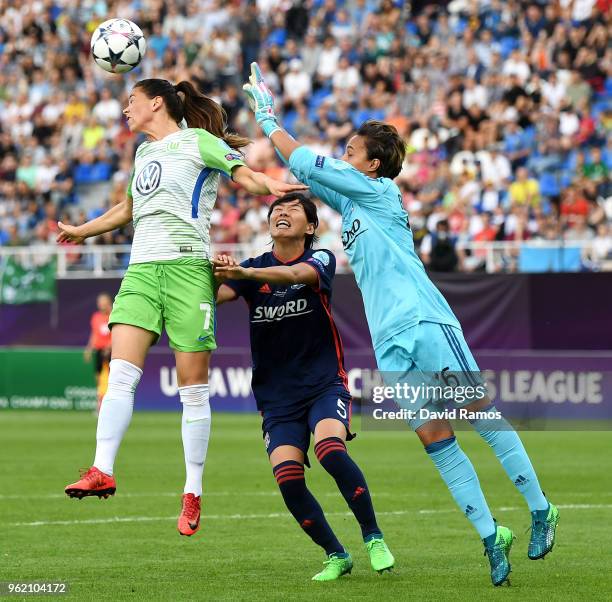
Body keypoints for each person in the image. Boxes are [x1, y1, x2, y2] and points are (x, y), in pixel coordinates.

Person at [243, 63, 559, 586]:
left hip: (424, 320)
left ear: (372, 163)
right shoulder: (352, 200)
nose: (343, 154)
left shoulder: (380, 193)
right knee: (436, 438)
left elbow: (303, 159)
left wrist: (270, 118)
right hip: (388, 339)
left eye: (350, 149)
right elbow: (304, 176)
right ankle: (490, 536)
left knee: (478, 414)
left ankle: (541, 508)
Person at [59, 78, 306, 537]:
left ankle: (192, 492)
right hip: (141, 271)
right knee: (122, 373)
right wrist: (83, 231)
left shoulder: (199, 142)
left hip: (188, 269)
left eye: (131, 101)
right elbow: (129, 209)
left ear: (156, 102)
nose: (125, 109)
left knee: (193, 388)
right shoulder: (143, 154)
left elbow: (245, 176)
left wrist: (275, 186)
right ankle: (101, 468)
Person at [213, 193, 394, 581]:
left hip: (323, 383)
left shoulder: (322, 258)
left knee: (330, 450)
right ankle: (336, 554)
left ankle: (373, 536)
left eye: (294, 209)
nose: (282, 212)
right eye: (277, 209)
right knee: (288, 478)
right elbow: (213, 297)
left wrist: (242, 274)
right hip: (276, 396)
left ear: (310, 227)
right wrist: (213, 274)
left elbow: (296, 276)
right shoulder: (252, 268)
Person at [84, 292, 113, 413]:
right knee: (99, 379)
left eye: (104, 303)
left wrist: (110, 346)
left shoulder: (114, 315)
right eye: (100, 303)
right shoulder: (96, 317)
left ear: (109, 303)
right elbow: (95, 334)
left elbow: (117, 334)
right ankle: (100, 405)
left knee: (111, 379)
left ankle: (111, 406)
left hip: (112, 351)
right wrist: (89, 349)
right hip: (99, 351)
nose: (102, 305)